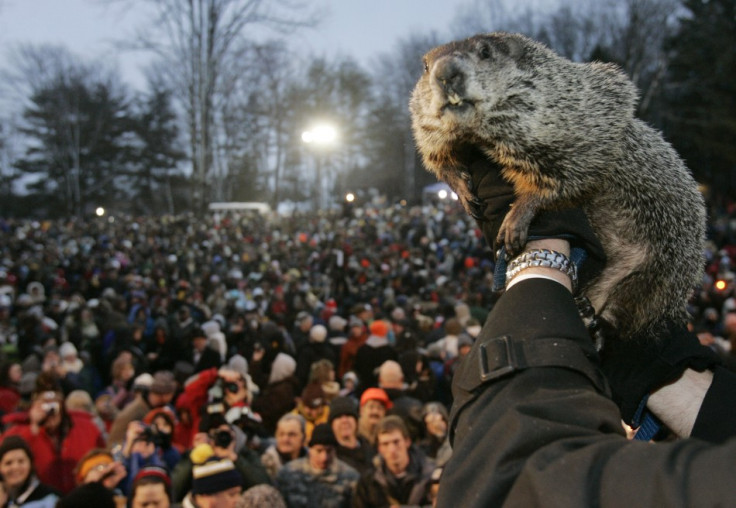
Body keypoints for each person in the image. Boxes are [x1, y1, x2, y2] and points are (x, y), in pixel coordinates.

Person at [1, 379, 105, 494]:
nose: (49, 410)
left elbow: (102, 457)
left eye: (53, 404)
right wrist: (33, 429)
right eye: (44, 404)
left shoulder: (86, 428)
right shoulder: (17, 432)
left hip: (80, 498)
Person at [354, 415, 434, 507]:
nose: (392, 449)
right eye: (385, 444)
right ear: (379, 448)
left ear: (407, 442)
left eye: (396, 442)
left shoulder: (430, 475)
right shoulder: (369, 483)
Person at [275, 423, 359, 508]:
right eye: (319, 451)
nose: (324, 458)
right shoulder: (288, 473)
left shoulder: (350, 478)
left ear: (335, 450)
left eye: (329, 451)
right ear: (310, 449)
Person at [107, 371, 177, 447]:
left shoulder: (155, 407)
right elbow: (114, 442)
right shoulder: (135, 412)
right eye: (171, 394)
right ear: (164, 395)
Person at [0, 435, 59, 507]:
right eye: (8, 463)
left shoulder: (49, 499)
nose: (15, 467)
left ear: (31, 464)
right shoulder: (4, 501)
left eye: (21, 461)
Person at [328, 396, 374, 474]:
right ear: (332, 425)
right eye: (339, 417)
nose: (344, 420)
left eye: (349, 415)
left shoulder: (371, 451)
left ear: (356, 421)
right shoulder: (329, 458)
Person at [260, 414, 308, 481]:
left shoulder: (314, 459)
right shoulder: (266, 463)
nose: (285, 439)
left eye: (291, 434)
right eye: (281, 434)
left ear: (304, 438)